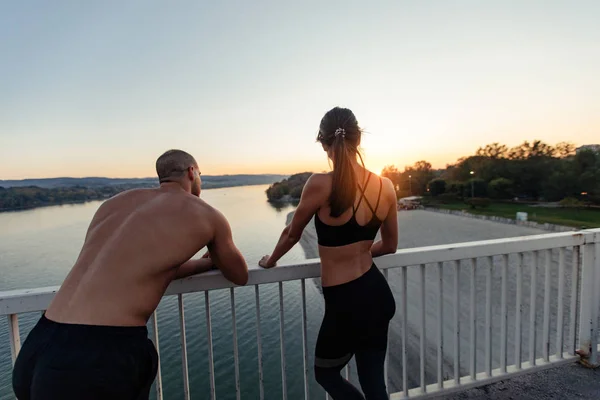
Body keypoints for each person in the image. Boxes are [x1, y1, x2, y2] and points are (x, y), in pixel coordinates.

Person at [12, 149, 248, 400]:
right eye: (200, 174)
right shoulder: (205, 214)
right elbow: (239, 274)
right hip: (96, 359)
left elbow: (147, 268)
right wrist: (216, 257)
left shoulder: (114, 204)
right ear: (192, 172)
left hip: (39, 345)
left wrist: (202, 265)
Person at [259, 107, 398, 399]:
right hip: (377, 294)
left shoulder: (320, 184)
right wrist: (358, 251)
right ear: (358, 140)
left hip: (346, 303)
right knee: (374, 384)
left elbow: (292, 233)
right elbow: (389, 245)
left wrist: (270, 261)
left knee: (325, 373)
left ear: (323, 143)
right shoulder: (385, 186)